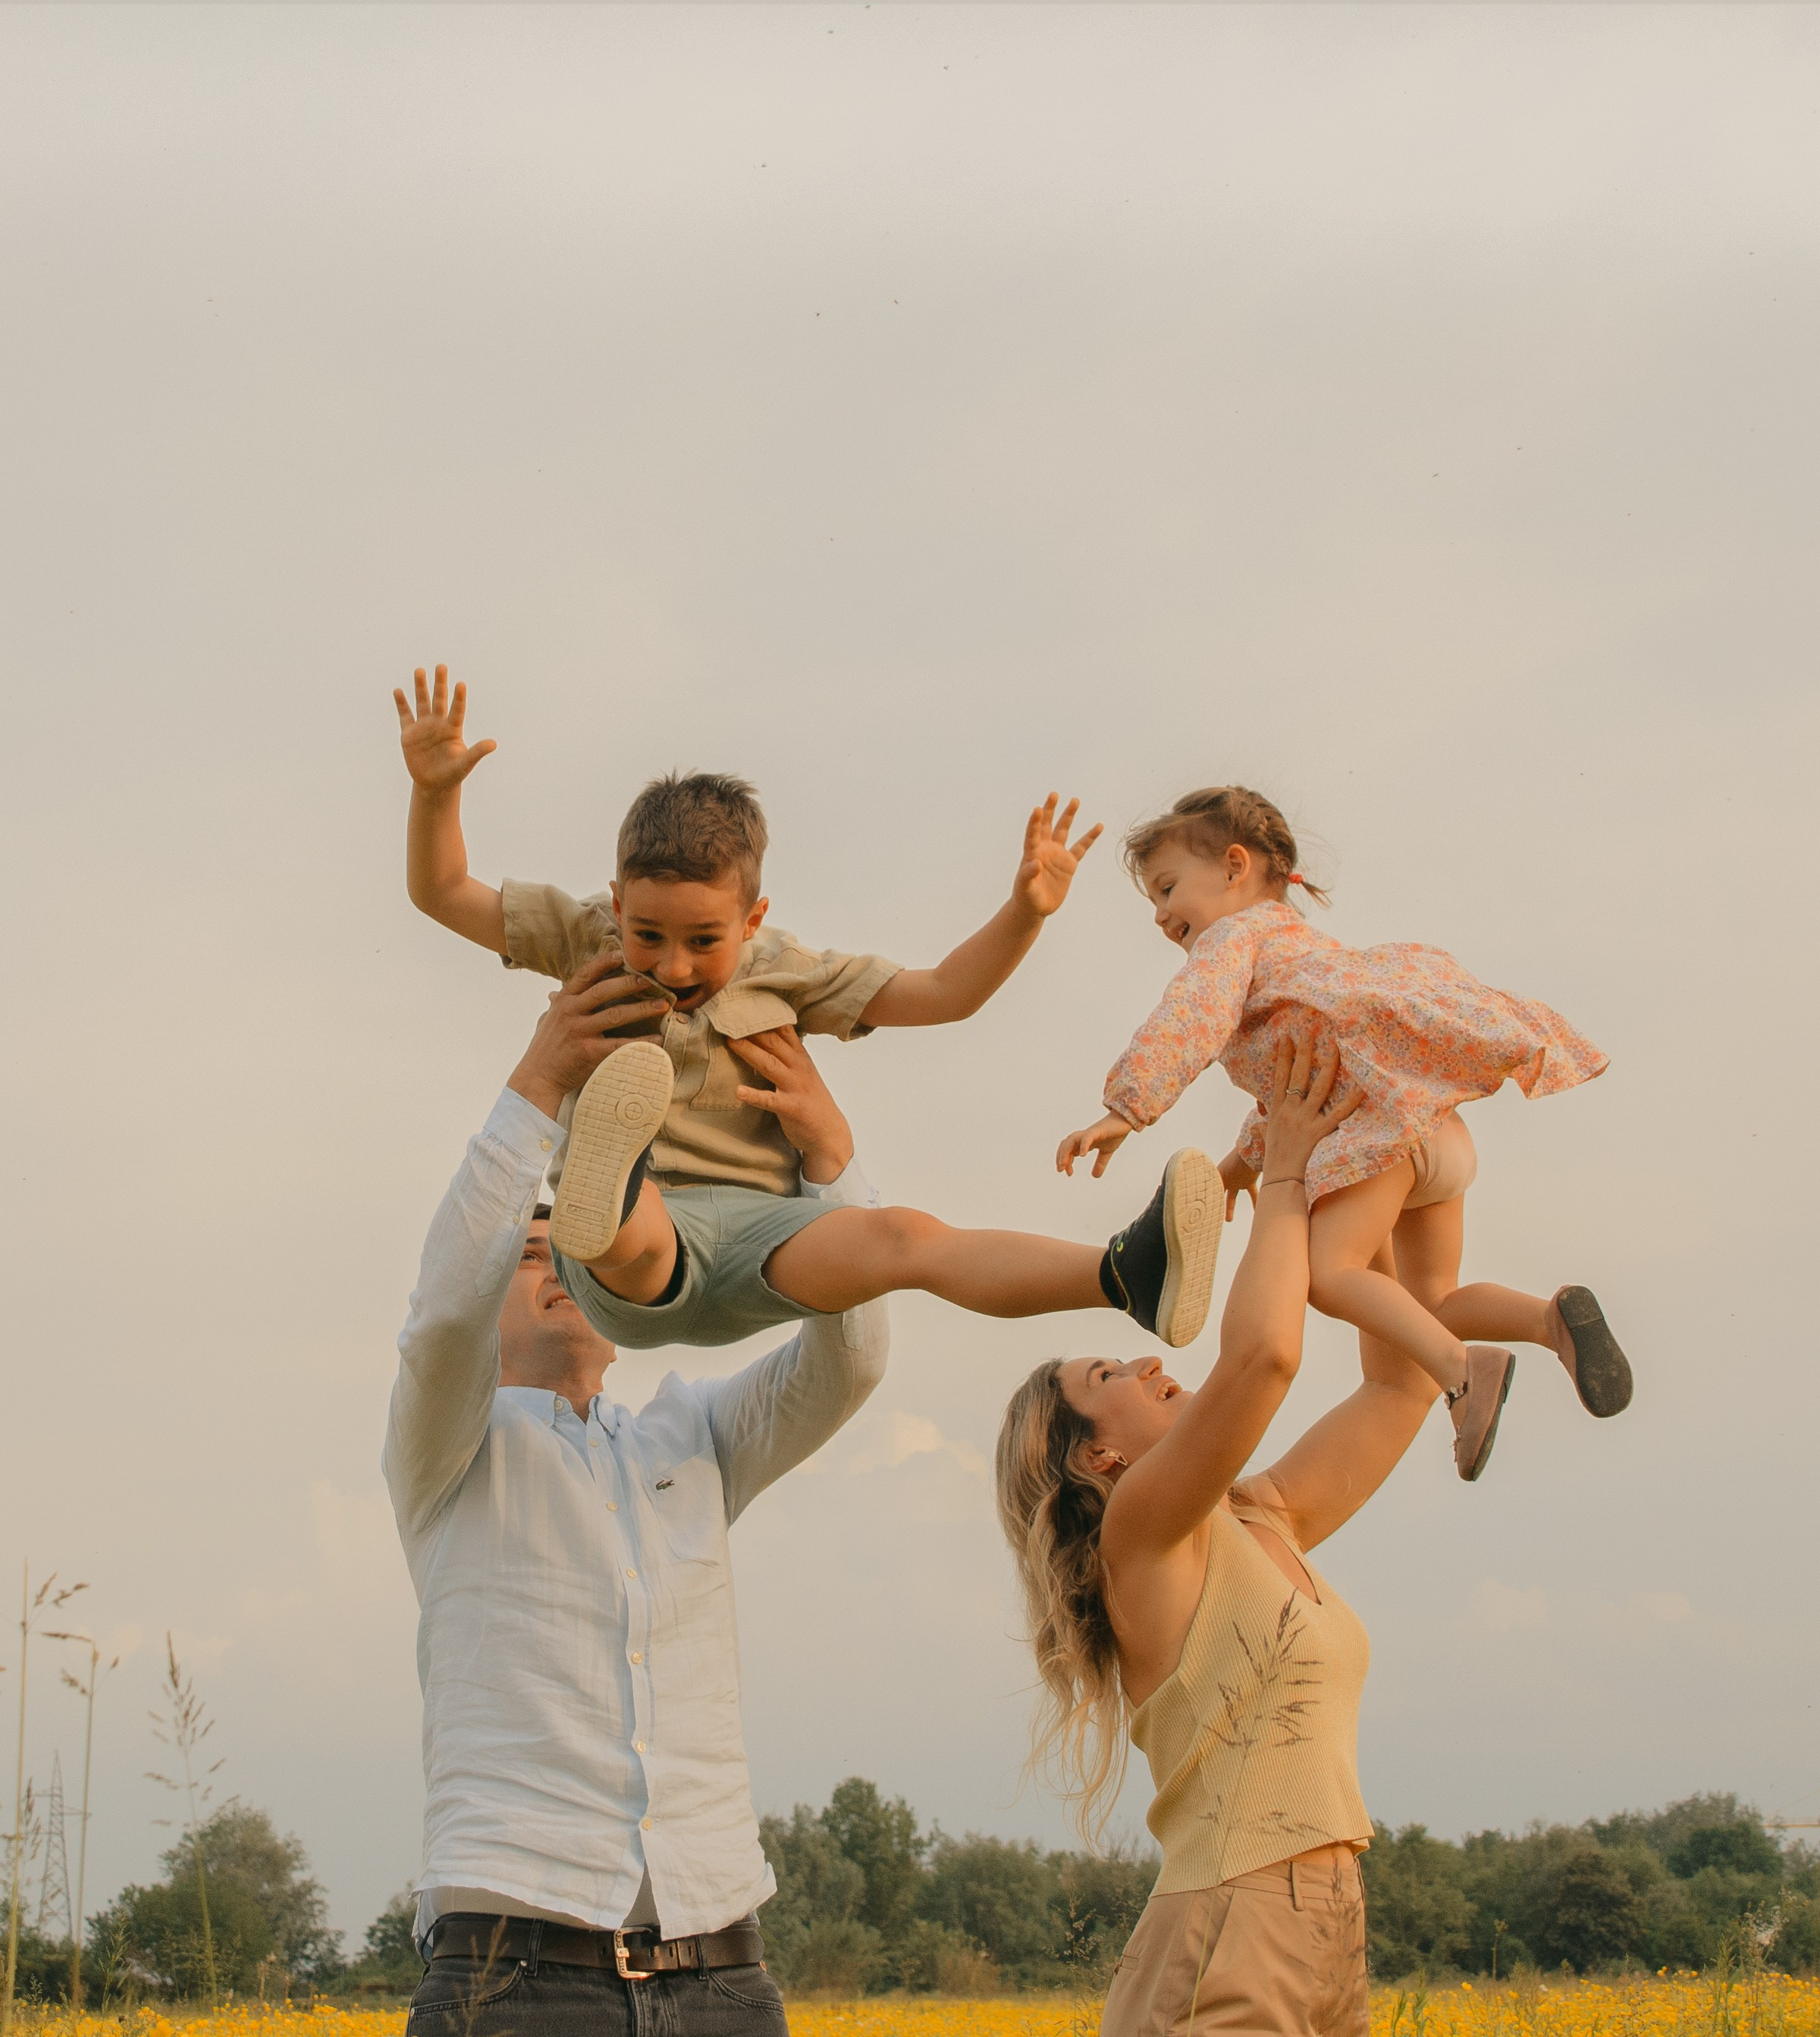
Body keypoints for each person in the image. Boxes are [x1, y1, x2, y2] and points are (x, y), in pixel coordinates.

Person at [393, 666, 1222, 1348]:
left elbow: (946, 994)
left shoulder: (784, 969)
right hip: (638, 1257)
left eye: (703, 940)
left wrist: (1025, 913)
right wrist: (436, 795)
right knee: (635, 1230)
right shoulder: (585, 937)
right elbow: (443, 891)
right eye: (645, 933)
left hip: (771, 1238)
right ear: (615, 903)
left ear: (751, 920)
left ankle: (1127, 1275)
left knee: (904, 1238)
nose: (671, 964)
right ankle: (610, 1182)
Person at [384, 958, 888, 2034]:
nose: (562, 1259)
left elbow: (852, 1360)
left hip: (724, 1977)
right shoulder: (451, 1450)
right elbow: (440, 1321)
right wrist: (538, 1084)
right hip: (512, 1977)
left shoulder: (693, 1433)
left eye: (578, 1240)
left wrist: (828, 1161)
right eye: (531, 1250)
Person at [999, 1032, 1441, 2036]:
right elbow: (1264, 1358)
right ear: (1093, 1462)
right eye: (1111, 1379)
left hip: (1326, 1917)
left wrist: (1397, 1175)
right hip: (1231, 1915)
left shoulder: (1262, 1514)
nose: (1151, 1366)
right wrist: (1281, 1175)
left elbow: (1401, 1379)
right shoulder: (1142, 1541)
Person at [1056, 784, 1633, 1478]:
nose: (1159, 914)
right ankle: (1549, 1320)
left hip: (1375, 1137)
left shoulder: (1234, 940)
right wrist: (1238, 1167)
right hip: (1431, 1129)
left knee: (1333, 1277)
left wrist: (1128, 1107)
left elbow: (1190, 1020)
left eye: (1168, 888)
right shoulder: (1309, 955)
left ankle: (1462, 1371)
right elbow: (1296, 1084)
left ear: (1235, 866)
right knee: (1432, 1301)